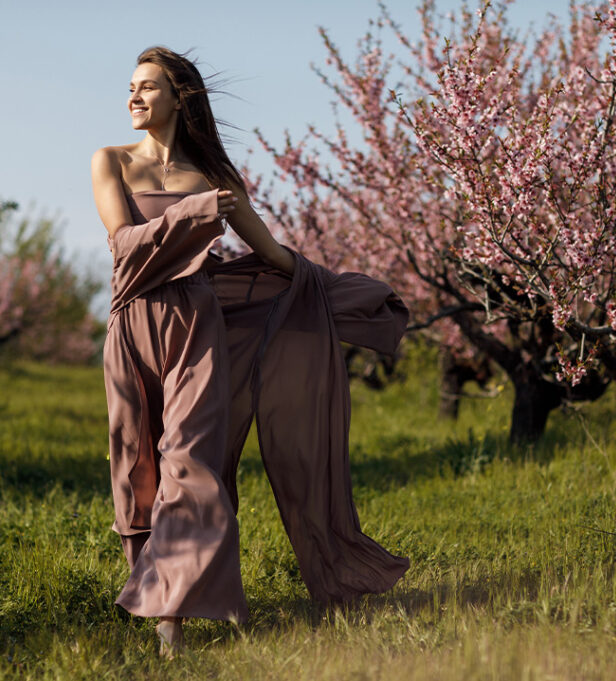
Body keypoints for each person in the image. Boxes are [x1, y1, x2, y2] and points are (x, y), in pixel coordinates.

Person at [91, 46, 409, 658]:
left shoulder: (216, 179)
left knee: (190, 461)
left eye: (147, 87)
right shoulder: (111, 161)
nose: (133, 97)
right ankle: (168, 584)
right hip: (132, 327)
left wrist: (339, 290)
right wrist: (196, 212)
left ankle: (173, 616)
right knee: (140, 468)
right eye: (130, 87)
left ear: (178, 98)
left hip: (197, 328)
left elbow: (272, 255)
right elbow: (124, 244)